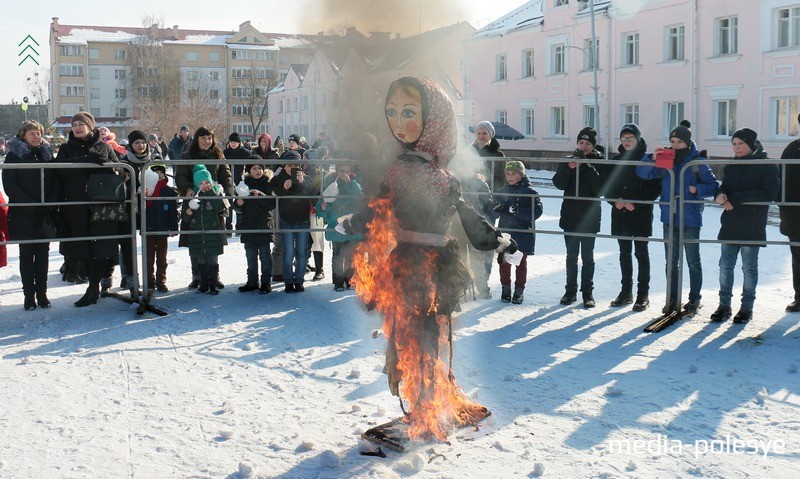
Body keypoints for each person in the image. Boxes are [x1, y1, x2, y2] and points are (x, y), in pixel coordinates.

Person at [339, 77, 517, 443]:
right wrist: (497, 240)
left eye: (408, 112)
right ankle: (426, 409)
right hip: (427, 264)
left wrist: (497, 239)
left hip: (414, 263)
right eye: (392, 112)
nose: (397, 122)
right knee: (424, 336)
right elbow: (466, 217)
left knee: (419, 336)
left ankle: (427, 409)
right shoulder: (433, 175)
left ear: (434, 118)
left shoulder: (410, 171)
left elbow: (377, 209)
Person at [636, 120, 719, 314]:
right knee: (671, 261)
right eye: (672, 141)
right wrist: (651, 157)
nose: (674, 145)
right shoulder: (666, 158)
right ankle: (672, 299)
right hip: (669, 217)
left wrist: (696, 189)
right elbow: (642, 173)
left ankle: (694, 299)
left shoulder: (697, 162)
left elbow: (713, 186)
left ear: (687, 143)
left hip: (690, 219)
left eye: (679, 142)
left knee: (692, 261)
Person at [709, 129, 780, 323]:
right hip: (730, 222)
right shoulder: (732, 165)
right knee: (725, 267)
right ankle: (724, 305)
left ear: (751, 144)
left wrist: (737, 198)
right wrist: (720, 194)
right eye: (734, 144)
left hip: (752, 224)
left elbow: (769, 193)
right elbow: (725, 186)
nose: (737, 148)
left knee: (749, 268)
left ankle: (746, 308)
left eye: (741, 144)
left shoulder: (767, 165)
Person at [55, 112, 122, 307]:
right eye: (74, 124)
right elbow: (59, 168)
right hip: (76, 205)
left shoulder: (104, 147)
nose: (77, 127)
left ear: (90, 127)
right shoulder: (66, 149)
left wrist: (108, 165)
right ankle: (91, 285)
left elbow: (120, 169)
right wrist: (86, 160)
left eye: (81, 124)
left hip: (101, 205)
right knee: (81, 246)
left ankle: (93, 287)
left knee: (101, 245)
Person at [2, 120, 60, 310]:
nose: (36, 137)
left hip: (44, 212)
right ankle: (29, 295)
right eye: (32, 134)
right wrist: (29, 204)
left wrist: (48, 202)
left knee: (43, 254)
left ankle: (42, 293)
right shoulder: (13, 156)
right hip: (23, 211)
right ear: (23, 136)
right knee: (26, 254)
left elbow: (54, 180)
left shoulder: (46, 154)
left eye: (39, 133)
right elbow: (10, 185)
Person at [604, 124, 661, 311]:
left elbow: (655, 188)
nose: (627, 141)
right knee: (624, 255)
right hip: (621, 214)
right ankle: (625, 292)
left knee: (641, 254)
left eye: (631, 137)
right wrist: (614, 201)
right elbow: (608, 186)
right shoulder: (617, 160)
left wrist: (636, 202)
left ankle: (643, 294)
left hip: (640, 214)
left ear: (637, 139)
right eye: (624, 137)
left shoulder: (647, 160)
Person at [553, 127, 605, 308]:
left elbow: (601, 189)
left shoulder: (599, 161)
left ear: (593, 145)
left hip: (590, 216)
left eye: (588, 143)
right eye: (581, 143)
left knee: (588, 257)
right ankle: (570, 291)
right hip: (570, 215)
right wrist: (568, 168)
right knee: (571, 256)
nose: (584, 146)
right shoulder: (569, 160)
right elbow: (558, 184)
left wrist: (587, 167)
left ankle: (587, 292)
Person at [175, 126, 232, 289]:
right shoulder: (187, 156)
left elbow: (225, 174)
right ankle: (197, 276)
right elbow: (180, 175)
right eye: (203, 138)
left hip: (213, 201)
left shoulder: (218, 155)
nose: (207, 141)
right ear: (196, 139)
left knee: (213, 238)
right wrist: (186, 188)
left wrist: (227, 189)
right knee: (194, 239)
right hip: (193, 200)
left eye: (209, 138)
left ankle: (214, 276)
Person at [493, 160, 543, 304]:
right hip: (506, 231)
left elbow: (537, 212)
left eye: (514, 173)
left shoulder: (530, 192)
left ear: (521, 174)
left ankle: (519, 290)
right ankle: (506, 288)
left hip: (523, 233)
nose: (510, 176)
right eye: (508, 174)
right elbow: (495, 212)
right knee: (504, 261)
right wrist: (495, 208)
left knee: (520, 263)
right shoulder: (502, 191)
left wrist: (519, 211)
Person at [272, 151, 318, 293]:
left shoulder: (306, 178)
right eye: (289, 165)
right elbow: (272, 191)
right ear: (284, 165)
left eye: (296, 165)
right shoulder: (279, 178)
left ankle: (299, 281)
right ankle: (288, 282)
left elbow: (315, 194)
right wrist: (283, 188)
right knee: (288, 253)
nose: (293, 168)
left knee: (302, 252)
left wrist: (303, 182)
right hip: (286, 220)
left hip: (303, 219)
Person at [315, 163, 363, 291]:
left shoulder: (354, 184)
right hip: (335, 226)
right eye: (342, 170)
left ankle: (350, 280)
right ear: (337, 172)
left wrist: (349, 183)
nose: (344, 173)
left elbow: (359, 197)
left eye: (347, 171)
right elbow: (322, 204)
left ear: (351, 172)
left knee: (351, 255)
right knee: (337, 255)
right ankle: (338, 281)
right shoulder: (331, 185)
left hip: (351, 226)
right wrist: (322, 207)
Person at [182, 165, 227, 294]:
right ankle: (203, 284)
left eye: (206, 182)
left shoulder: (215, 192)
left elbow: (220, 208)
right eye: (201, 183)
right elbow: (185, 218)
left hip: (212, 232)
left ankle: (213, 284)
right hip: (197, 234)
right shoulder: (192, 195)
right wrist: (188, 212)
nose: (204, 185)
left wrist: (212, 192)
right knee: (200, 260)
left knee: (212, 260)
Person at [234, 159, 276, 293]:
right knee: (250, 255)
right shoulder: (243, 184)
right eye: (254, 168)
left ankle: (265, 282)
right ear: (249, 171)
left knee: (265, 255)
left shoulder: (268, 184)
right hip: (248, 225)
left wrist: (260, 195)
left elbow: (271, 204)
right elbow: (236, 205)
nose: (257, 171)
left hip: (264, 224)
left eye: (260, 168)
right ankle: (252, 281)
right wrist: (238, 203)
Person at [143, 163, 179, 292]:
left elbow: (173, 211)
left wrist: (174, 227)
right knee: (148, 257)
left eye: (161, 173)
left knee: (162, 258)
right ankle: (149, 279)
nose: (158, 176)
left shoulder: (168, 191)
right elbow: (139, 210)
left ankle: (161, 280)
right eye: (155, 173)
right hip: (149, 228)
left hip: (163, 228)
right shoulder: (145, 189)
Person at [780, 113, 800, 313]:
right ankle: (799, 297)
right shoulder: (793, 148)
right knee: (798, 258)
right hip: (796, 216)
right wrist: (783, 207)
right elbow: (781, 179)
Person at [223, 132, 252, 234]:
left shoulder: (245, 153)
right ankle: (228, 227)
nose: (233, 144)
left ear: (239, 143)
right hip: (229, 181)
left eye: (235, 142)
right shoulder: (225, 153)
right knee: (229, 204)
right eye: (231, 142)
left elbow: (250, 166)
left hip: (241, 181)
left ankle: (239, 227)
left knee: (240, 204)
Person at [471, 120, 505, 191]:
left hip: (491, 191)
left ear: (491, 135)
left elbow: (501, 177)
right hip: (471, 190)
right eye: (479, 133)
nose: (481, 136)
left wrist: (494, 191)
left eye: (484, 133)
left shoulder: (498, 155)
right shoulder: (469, 151)